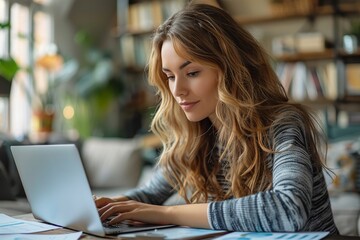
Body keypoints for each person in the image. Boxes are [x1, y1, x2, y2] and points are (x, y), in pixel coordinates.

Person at [95, 3, 339, 234]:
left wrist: (170, 213)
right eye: (169, 76)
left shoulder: (282, 123)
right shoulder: (195, 134)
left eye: (192, 73)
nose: (177, 90)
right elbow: (149, 196)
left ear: (230, 70)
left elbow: (289, 209)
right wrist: (103, 206)